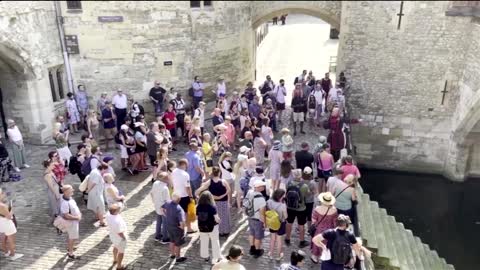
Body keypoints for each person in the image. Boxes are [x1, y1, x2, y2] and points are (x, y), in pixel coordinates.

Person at [195, 166, 231, 237]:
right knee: (225, 216)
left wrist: (197, 195)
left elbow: (199, 190)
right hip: (223, 202)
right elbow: (229, 190)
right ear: (219, 173)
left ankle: (217, 231)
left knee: (215, 217)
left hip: (213, 203)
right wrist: (223, 196)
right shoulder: (223, 181)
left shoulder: (209, 182)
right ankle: (225, 231)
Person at [284, 169, 310, 248]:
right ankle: (302, 241)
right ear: (300, 176)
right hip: (301, 208)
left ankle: (287, 238)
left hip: (290, 207)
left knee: (289, 223)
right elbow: (307, 195)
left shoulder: (289, 183)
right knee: (301, 225)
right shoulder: (304, 186)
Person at [310, 192, 338, 264]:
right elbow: (335, 223)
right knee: (327, 244)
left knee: (317, 242)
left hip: (319, 229)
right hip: (329, 230)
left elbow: (313, 221)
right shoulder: (334, 210)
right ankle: (325, 256)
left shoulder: (317, 209)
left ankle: (315, 257)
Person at [196, 190, 222, 264]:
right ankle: (217, 257)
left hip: (202, 227)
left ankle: (205, 256)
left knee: (204, 241)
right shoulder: (212, 207)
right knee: (215, 242)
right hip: (212, 227)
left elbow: (197, 217)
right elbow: (216, 219)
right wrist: (219, 221)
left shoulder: (198, 207)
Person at [171, 159, 195, 233]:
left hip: (175, 195)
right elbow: (188, 187)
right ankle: (189, 228)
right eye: (187, 164)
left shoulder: (173, 172)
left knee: (176, 212)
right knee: (186, 213)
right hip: (184, 196)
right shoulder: (185, 174)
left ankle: (178, 227)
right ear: (184, 164)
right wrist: (191, 196)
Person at [163, 193, 187, 263]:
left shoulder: (167, 202)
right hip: (177, 229)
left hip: (169, 226)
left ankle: (172, 254)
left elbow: (162, 208)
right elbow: (182, 223)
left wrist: (166, 216)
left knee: (172, 241)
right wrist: (182, 228)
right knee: (178, 244)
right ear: (179, 200)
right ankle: (178, 258)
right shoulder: (179, 209)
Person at [245, 180, 267, 258]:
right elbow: (262, 213)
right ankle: (257, 251)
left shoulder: (249, 192)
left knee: (251, 233)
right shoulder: (260, 198)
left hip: (250, 217)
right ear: (259, 187)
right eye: (262, 186)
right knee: (258, 236)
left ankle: (252, 248)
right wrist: (264, 223)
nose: (264, 187)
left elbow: (245, 204)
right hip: (258, 219)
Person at [0, 187, 23, 260]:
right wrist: (12, 209)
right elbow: (9, 217)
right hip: (7, 223)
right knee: (11, 239)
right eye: (2, 193)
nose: (3, 195)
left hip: (1, 223)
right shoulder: (2, 206)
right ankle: (13, 255)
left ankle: (6, 252)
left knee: (3, 237)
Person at [59, 185, 82, 259]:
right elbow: (66, 215)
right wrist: (76, 218)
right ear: (65, 192)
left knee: (73, 236)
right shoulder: (64, 203)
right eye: (71, 190)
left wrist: (79, 214)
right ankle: (70, 253)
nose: (73, 190)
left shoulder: (70, 198)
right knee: (72, 237)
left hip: (74, 221)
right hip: (71, 222)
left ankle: (71, 247)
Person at [267, 189, 288, 261]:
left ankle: (271, 254)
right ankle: (278, 256)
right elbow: (286, 216)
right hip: (281, 223)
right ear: (280, 197)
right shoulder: (283, 205)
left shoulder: (269, 201)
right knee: (279, 240)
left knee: (272, 239)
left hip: (272, 222)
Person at [106, 203, 127, 270]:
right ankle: (119, 266)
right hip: (119, 238)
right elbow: (120, 232)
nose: (120, 209)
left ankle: (115, 259)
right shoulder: (117, 221)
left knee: (115, 246)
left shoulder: (108, 214)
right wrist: (124, 238)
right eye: (118, 209)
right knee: (121, 252)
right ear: (116, 212)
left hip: (113, 235)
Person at [151, 171, 171, 244]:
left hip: (157, 205)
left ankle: (157, 236)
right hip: (164, 207)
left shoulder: (155, 183)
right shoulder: (165, 188)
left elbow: (152, 193)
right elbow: (167, 201)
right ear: (166, 179)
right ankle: (165, 238)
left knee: (159, 221)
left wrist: (154, 202)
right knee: (165, 223)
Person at [43, 158, 61, 224]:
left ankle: (55, 219)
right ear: (48, 166)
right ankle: (56, 220)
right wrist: (56, 194)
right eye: (52, 165)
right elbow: (51, 186)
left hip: (56, 189)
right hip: (53, 192)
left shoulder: (51, 172)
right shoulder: (47, 175)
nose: (54, 166)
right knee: (54, 206)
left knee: (57, 205)